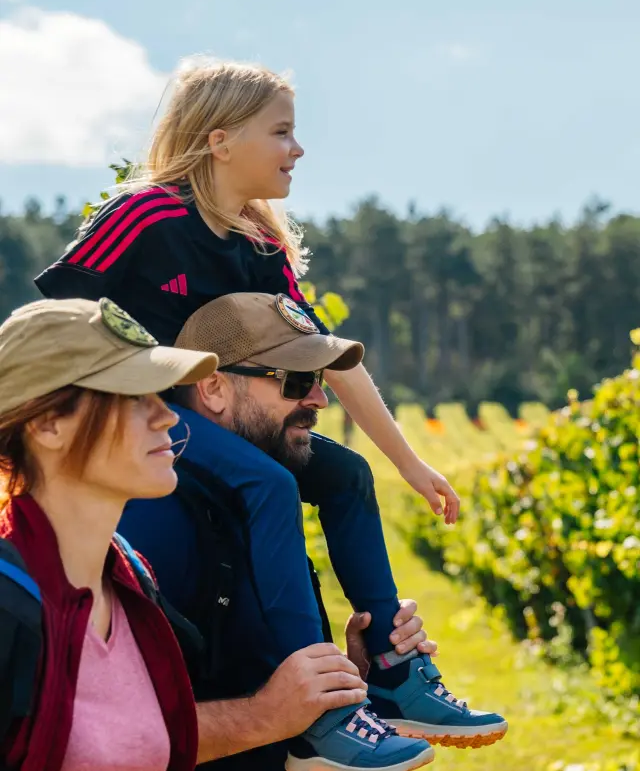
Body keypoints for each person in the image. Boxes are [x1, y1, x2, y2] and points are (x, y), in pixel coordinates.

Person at [34, 57, 506, 749]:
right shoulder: (145, 214)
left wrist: (409, 464)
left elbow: (330, 356)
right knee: (270, 482)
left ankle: (392, 670)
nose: (298, 148)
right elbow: (54, 317)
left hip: (210, 421)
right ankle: (319, 708)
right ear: (220, 140)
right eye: (281, 131)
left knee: (347, 474)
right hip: (138, 414)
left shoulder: (260, 245)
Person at [120, 292, 508, 771]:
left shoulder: (254, 507)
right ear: (214, 388)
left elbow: (257, 683)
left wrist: (351, 675)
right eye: (296, 381)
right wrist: (266, 717)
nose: (321, 400)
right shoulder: (147, 525)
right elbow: (103, 736)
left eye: (319, 380)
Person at [0, 298, 391, 771]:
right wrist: (262, 716)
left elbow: (145, 736)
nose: (167, 416)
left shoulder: (130, 577)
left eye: (158, 394)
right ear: (48, 425)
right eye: (132, 398)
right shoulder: (10, 603)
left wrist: (335, 682)